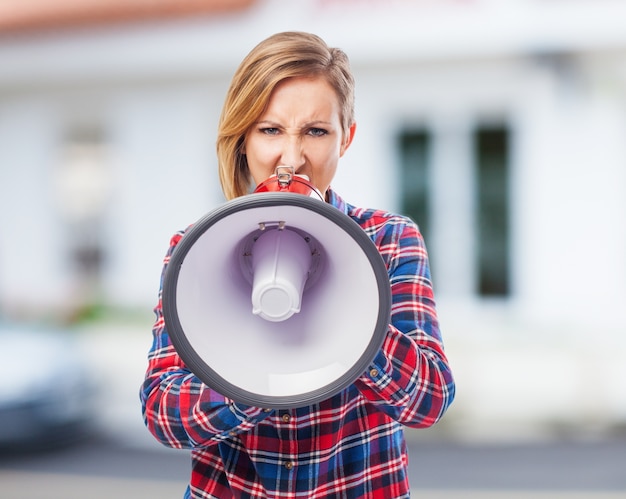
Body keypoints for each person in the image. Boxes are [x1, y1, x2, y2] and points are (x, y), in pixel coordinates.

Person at [141, 31, 455, 498]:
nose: (292, 159)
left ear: (345, 138)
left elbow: (428, 401)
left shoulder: (388, 240)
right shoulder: (194, 250)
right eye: (270, 130)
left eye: (315, 131)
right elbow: (163, 415)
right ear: (243, 137)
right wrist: (250, 378)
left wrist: (352, 319)